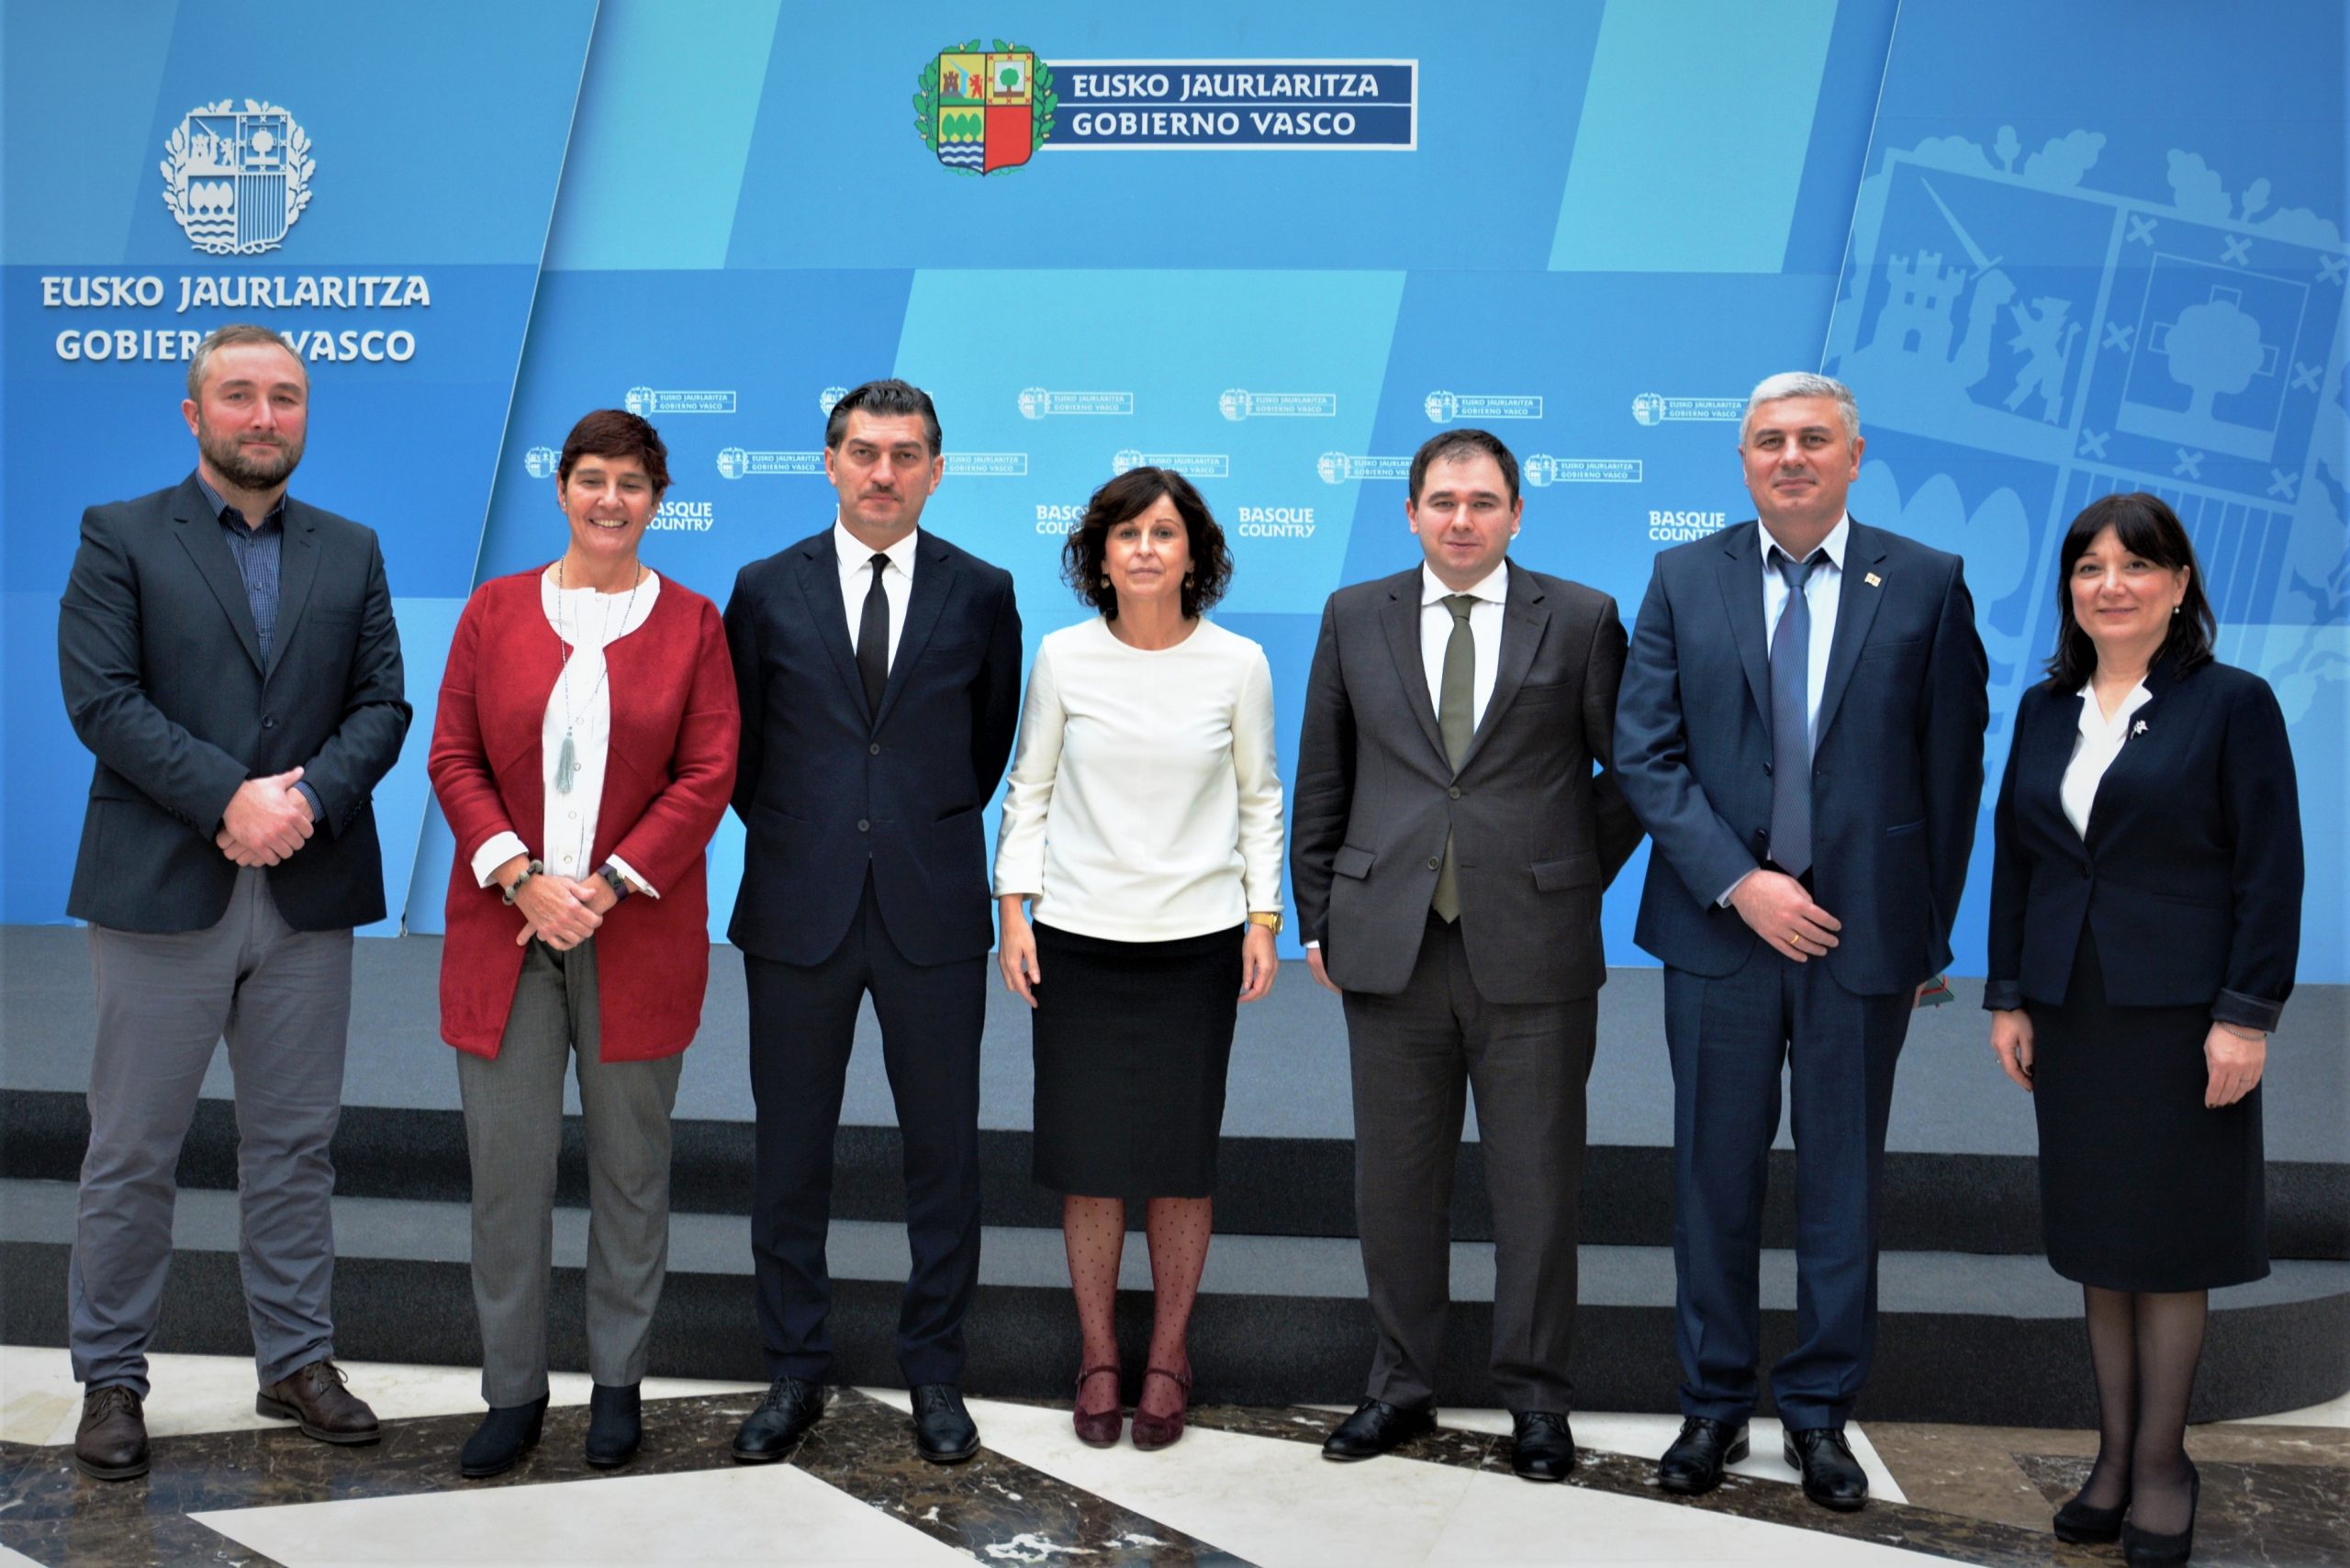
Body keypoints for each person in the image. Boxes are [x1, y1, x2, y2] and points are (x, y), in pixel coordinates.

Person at [1615, 372, 1988, 1511]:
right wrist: (1741, 883)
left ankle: (1820, 1412)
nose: (1791, 456)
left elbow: (1951, 773)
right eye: (1769, 439)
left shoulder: (1926, 581)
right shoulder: (1684, 576)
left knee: (1842, 1187)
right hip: (1720, 934)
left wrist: (1922, 938)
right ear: (1741, 460)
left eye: (1813, 438)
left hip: (1860, 943)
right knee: (1710, 1182)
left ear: (1853, 456)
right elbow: (1644, 753)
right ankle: (1712, 1404)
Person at [56, 322, 410, 1481]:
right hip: (165, 887)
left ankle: (295, 1360)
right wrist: (228, 799)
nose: (265, 417)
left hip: (305, 892)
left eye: (287, 397)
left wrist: (302, 800)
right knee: (133, 1148)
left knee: (295, 1146)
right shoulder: (119, 535)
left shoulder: (350, 548)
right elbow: (103, 699)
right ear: (194, 412)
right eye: (241, 395)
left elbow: (383, 704)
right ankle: (112, 1377)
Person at [1291, 429, 1643, 1483]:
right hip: (1388, 943)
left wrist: (1562, 872)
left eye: (1483, 502)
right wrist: (1319, 912)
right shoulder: (1354, 614)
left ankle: (1536, 1400)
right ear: (1410, 512)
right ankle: (1399, 1386)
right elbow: (1323, 773)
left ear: (1516, 514)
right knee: (1395, 1187)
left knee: (1537, 1188)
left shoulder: (1580, 617)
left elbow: (1632, 773)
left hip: (1533, 947)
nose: (1461, 519)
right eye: (1442, 501)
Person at [1984, 492, 2300, 1564]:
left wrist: (2245, 1016)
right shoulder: (2044, 709)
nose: (2109, 584)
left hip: (2182, 1020)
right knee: (2102, 1242)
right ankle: (2113, 1458)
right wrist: (2007, 994)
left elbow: (2270, 871)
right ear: (2068, 588)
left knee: (2166, 1246)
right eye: (2088, 567)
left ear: (2178, 584)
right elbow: (2019, 857)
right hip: (2072, 1014)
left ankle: (2163, 1465)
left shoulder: (2232, 703)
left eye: (2134, 564)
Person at [427, 409, 737, 1477]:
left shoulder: (694, 623)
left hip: (635, 932)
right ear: (561, 487)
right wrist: (522, 875)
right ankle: (512, 1392)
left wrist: (602, 886)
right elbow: (453, 756)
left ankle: (617, 1386)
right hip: (505, 931)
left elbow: (708, 773)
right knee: (506, 1177)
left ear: (658, 500)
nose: (611, 499)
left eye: (632, 483)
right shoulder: (493, 610)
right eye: (593, 477)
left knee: (631, 1173)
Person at [724, 379, 1022, 1465]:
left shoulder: (982, 590)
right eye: (862, 451)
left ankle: (935, 1369)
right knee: (788, 1155)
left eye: (904, 455)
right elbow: (741, 750)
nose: (881, 472)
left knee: (944, 1157)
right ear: (829, 462)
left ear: (936, 471)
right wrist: (817, 834)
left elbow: (983, 747)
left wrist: (902, 830)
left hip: (929, 908)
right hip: (796, 906)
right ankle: (793, 1367)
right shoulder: (764, 587)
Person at [994, 468, 1283, 1451]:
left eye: (1164, 532)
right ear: (1101, 555)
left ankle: (1166, 1357)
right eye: (1127, 534)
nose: (1146, 549)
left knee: (1178, 1164)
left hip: (1196, 945)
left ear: (1194, 553)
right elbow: (1028, 789)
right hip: (1078, 941)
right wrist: (1014, 909)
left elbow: (1259, 797)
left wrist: (1261, 917)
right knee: (1089, 1163)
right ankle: (1097, 1359)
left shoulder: (1239, 663)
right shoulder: (1063, 657)